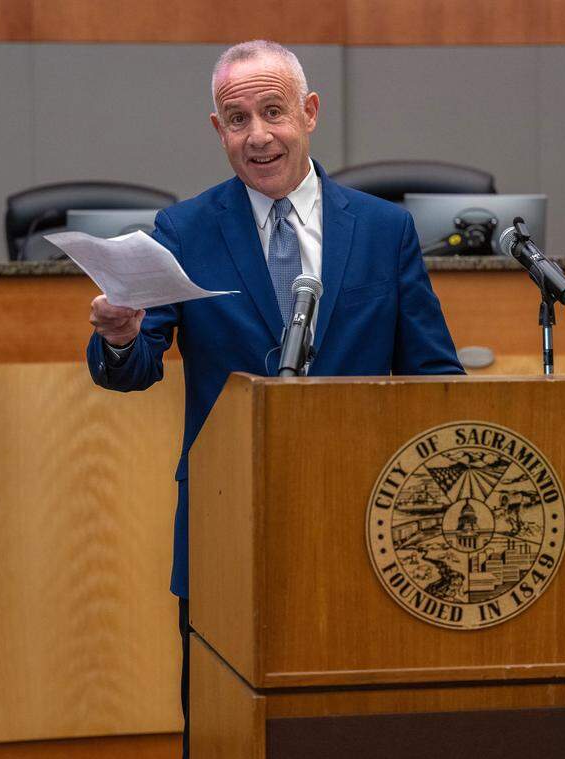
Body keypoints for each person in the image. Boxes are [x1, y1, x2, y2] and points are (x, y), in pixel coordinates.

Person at [86, 40, 463, 755]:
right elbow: (133, 368)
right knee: (227, 722)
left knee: (355, 724)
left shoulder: (384, 231)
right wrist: (118, 335)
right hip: (228, 520)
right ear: (217, 130)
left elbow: (436, 374)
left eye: (273, 112)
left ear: (309, 112)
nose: (257, 135)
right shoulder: (185, 230)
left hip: (368, 522)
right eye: (237, 119)